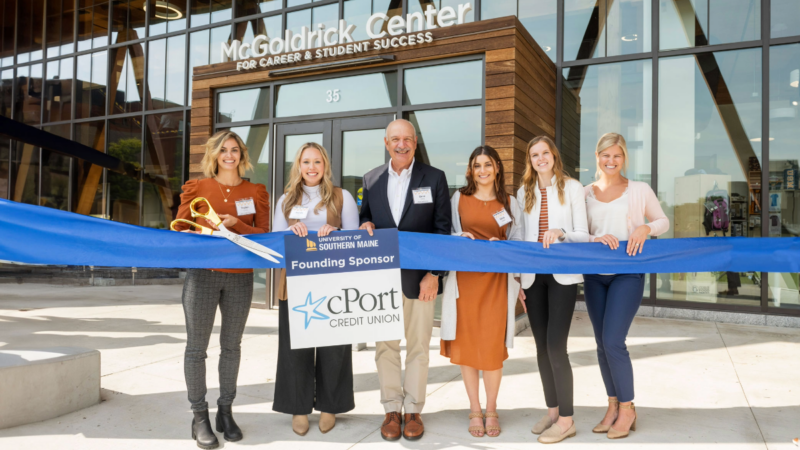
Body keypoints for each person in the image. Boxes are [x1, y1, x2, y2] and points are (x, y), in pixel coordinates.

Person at [174, 130, 270, 449]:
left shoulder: (255, 191)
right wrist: (208, 228)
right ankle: (199, 415)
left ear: (242, 155)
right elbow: (181, 227)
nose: (229, 155)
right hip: (202, 276)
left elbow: (264, 235)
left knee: (232, 347)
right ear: (214, 155)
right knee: (196, 348)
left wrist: (236, 226)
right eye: (223, 150)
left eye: (235, 150)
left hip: (240, 277)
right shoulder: (197, 187)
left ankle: (225, 411)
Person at [359, 119, 452, 441]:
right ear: (387, 143)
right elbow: (364, 217)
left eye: (407, 139)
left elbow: (443, 232)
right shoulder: (371, 179)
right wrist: (365, 224)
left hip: (420, 281)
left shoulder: (435, 178)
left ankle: (413, 409)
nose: (402, 144)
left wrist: (434, 275)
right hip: (381, 281)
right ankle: (391, 408)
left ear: (415, 142)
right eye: (395, 139)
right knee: (385, 348)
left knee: (418, 347)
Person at [583, 132, 669, 439]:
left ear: (624, 159)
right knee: (601, 344)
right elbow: (579, 232)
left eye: (617, 155)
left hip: (628, 272)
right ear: (597, 157)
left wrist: (645, 227)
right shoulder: (585, 192)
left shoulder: (639, 189)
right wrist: (594, 238)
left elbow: (663, 221)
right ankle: (612, 405)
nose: (611, 160)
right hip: (594, 274)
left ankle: (628, 407)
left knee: (614, 341)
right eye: (605, 155)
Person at [272, 142, 359, 436]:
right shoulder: (286, 199)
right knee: (295, 348)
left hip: (332, 283)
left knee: (334, 348)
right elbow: (274, 241)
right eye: (306, 162)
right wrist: (289, 232)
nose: (311, 168)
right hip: (295, 283)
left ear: (325, 166)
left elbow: (355, 239)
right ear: (298, 166)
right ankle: (298, 407)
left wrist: (336, 233)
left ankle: (330, 405)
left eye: (317, 162)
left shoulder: (342, 196)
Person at [440, 145, 520, 438]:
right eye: (477, 166)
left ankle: (492, 408)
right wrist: (458, 236)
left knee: (492, 347)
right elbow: (445, 232)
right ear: (471, 171)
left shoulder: (509, 201)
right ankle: (475, 409)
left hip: (497, 283)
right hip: (466, 282)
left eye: (488, 164)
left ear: (497, 167)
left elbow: (519, 239)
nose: (483, 171)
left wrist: (517, 274)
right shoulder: (458, 198)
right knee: (468, 345)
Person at [515, 136, 588, 444]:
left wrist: (562, 233)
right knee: (541, 348)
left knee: (557, 347)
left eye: (545, 153)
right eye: (535, 155)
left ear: (554, 156)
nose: (540, 158)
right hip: (533, 278)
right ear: (530, 160)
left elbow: (584, 234)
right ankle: (554, 411)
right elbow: (519, 236)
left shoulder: (572, 187)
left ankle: (568, 420)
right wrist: (518, 279)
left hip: (562, 278)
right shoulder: (524, 192)